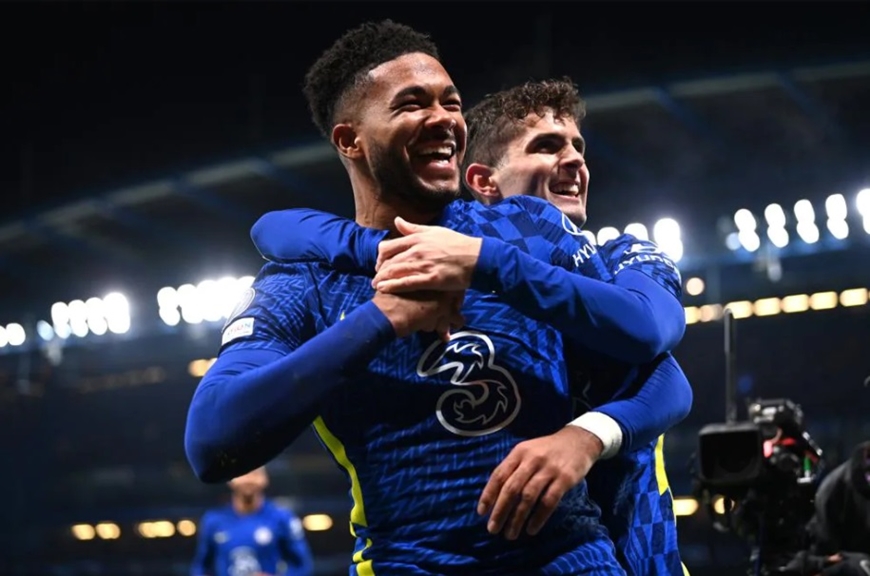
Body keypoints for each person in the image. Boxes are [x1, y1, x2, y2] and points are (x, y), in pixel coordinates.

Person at [185, 19, 687, 575]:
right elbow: (211, 442)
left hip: (568, 558)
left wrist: (583, 437)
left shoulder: (526, 227)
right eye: (412, 104)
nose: (445, 118)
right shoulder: (302, 284)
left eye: (451, 102)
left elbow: (658, 368)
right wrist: (381, 319)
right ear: (350, 140)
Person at [191, 467, 314, 576]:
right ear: (230, 480)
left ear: (265, 479)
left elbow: (302, 565)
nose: (248, 479)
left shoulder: (282, 518)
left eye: (254, 474)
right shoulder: (213, 521)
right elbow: (200, 567)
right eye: (241, 474)